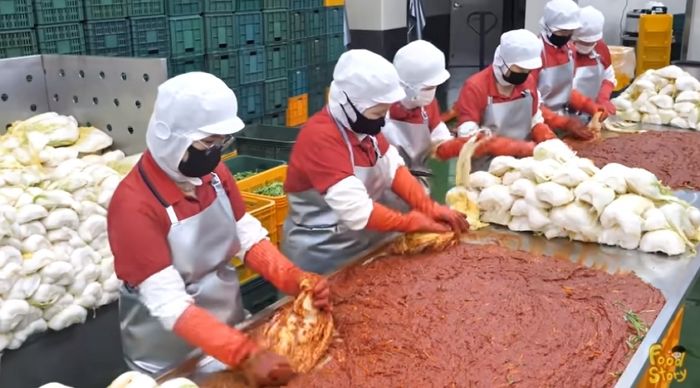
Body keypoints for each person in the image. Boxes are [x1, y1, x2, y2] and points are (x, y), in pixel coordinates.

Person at [107, 72, 330, 386]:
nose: (214, 153)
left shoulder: (214, 176)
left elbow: (246, 236)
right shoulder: (133, 206)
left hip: (229, 336)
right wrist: (245, 355)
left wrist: (294, 278)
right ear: (168, 136)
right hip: (171, 364)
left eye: (220, 143)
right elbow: (169, 304)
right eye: (207, 143)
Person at [281, 49, 469, 275]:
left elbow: (394, 169)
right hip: (324, 258)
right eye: (377, 113)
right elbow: (357, 211)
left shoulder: (363, 127)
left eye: (384, 112)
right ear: (347, 103)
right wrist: (411, 222)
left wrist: (428, 207)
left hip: (364, 246)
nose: (381, 121)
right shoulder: (320, 138)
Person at [453, 29, 558, 171]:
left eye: (528, 71)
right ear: (502, 61)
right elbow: (468, 137)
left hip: (523, 167)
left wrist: (547, 139)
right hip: (485, 170)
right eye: (520, 70)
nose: (524, 75)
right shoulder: (475, 87)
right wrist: (513, 147)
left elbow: (534, 119)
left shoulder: (528, 82)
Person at [382, 40, 465, 191]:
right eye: (428, 88)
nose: (432, 93)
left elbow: (439, 139)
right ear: (407, 86)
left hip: (419, 186)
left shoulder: (428, 105)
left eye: (435, 87)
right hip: (384, 188)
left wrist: (462, 144)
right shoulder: (380, 107)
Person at [533, 0, 601, 140]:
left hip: (561, 126)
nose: (566, 35)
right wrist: (564, 122)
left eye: (570, 31)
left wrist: (591, 108)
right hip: (536, 126)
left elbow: (566, 91)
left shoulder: (570, 51)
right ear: (548, 26)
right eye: (562, 31)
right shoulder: (534, 53)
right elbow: (528, 104)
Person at [572, 6, 616, 116]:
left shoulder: (600, 47)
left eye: (591, 43)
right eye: (583, 42)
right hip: (562, 114)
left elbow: (609, 76)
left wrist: (603, 98)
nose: (587, 46)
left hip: (593, 113)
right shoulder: (561, 50)